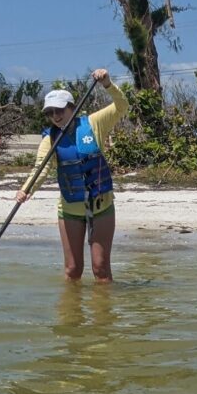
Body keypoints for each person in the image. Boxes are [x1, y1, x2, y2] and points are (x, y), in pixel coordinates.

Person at [15, 69, 128, 283]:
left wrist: (107, 84)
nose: (55, 117)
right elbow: (41, 168)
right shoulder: (50, 139)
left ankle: (103, 316)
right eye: (50, 113)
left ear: (72, 108)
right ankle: (70, 316)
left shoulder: (94, 123)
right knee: (73, 270)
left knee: (101, 269)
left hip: (101, 205)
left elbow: (122, 106)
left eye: (59, 110)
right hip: (70, 209)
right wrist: (25, 190)